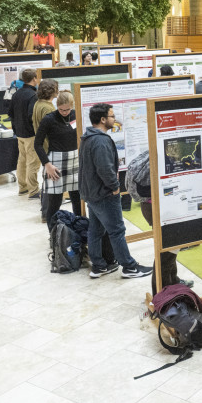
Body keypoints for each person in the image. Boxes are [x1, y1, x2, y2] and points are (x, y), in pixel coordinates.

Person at [79, 103, 152, 279]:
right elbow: (104, 169)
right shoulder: (101, 141)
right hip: (104, 194)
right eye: (112, 116)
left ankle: (99, 266)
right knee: (117, 230)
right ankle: (129, 267)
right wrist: (114, 187)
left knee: (96, 230)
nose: (115, 119)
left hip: (92, 193)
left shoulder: (88, 138)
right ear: (103, 119)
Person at [35, 91, 82, 228]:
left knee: (77, 200)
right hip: (55, 163)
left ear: (72, 106)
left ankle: (79, 231)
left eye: (67, 109)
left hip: (75, 161)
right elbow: (37, 144)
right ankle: (53, 236)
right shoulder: (49, 119)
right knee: (55, 203)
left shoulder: (76, 115)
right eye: (61, 109)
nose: (64, 112)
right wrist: (47, 164)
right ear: (57, 106)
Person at [11, 68, 41, 198]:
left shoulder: (16, 94)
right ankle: (33, 190)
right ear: (34, 79)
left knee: (22, 160)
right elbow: (31, 116)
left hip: (19, 132)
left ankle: (22, 187)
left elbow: (10, 113)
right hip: (30, 134)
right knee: (33, 162)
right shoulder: (33, 95)